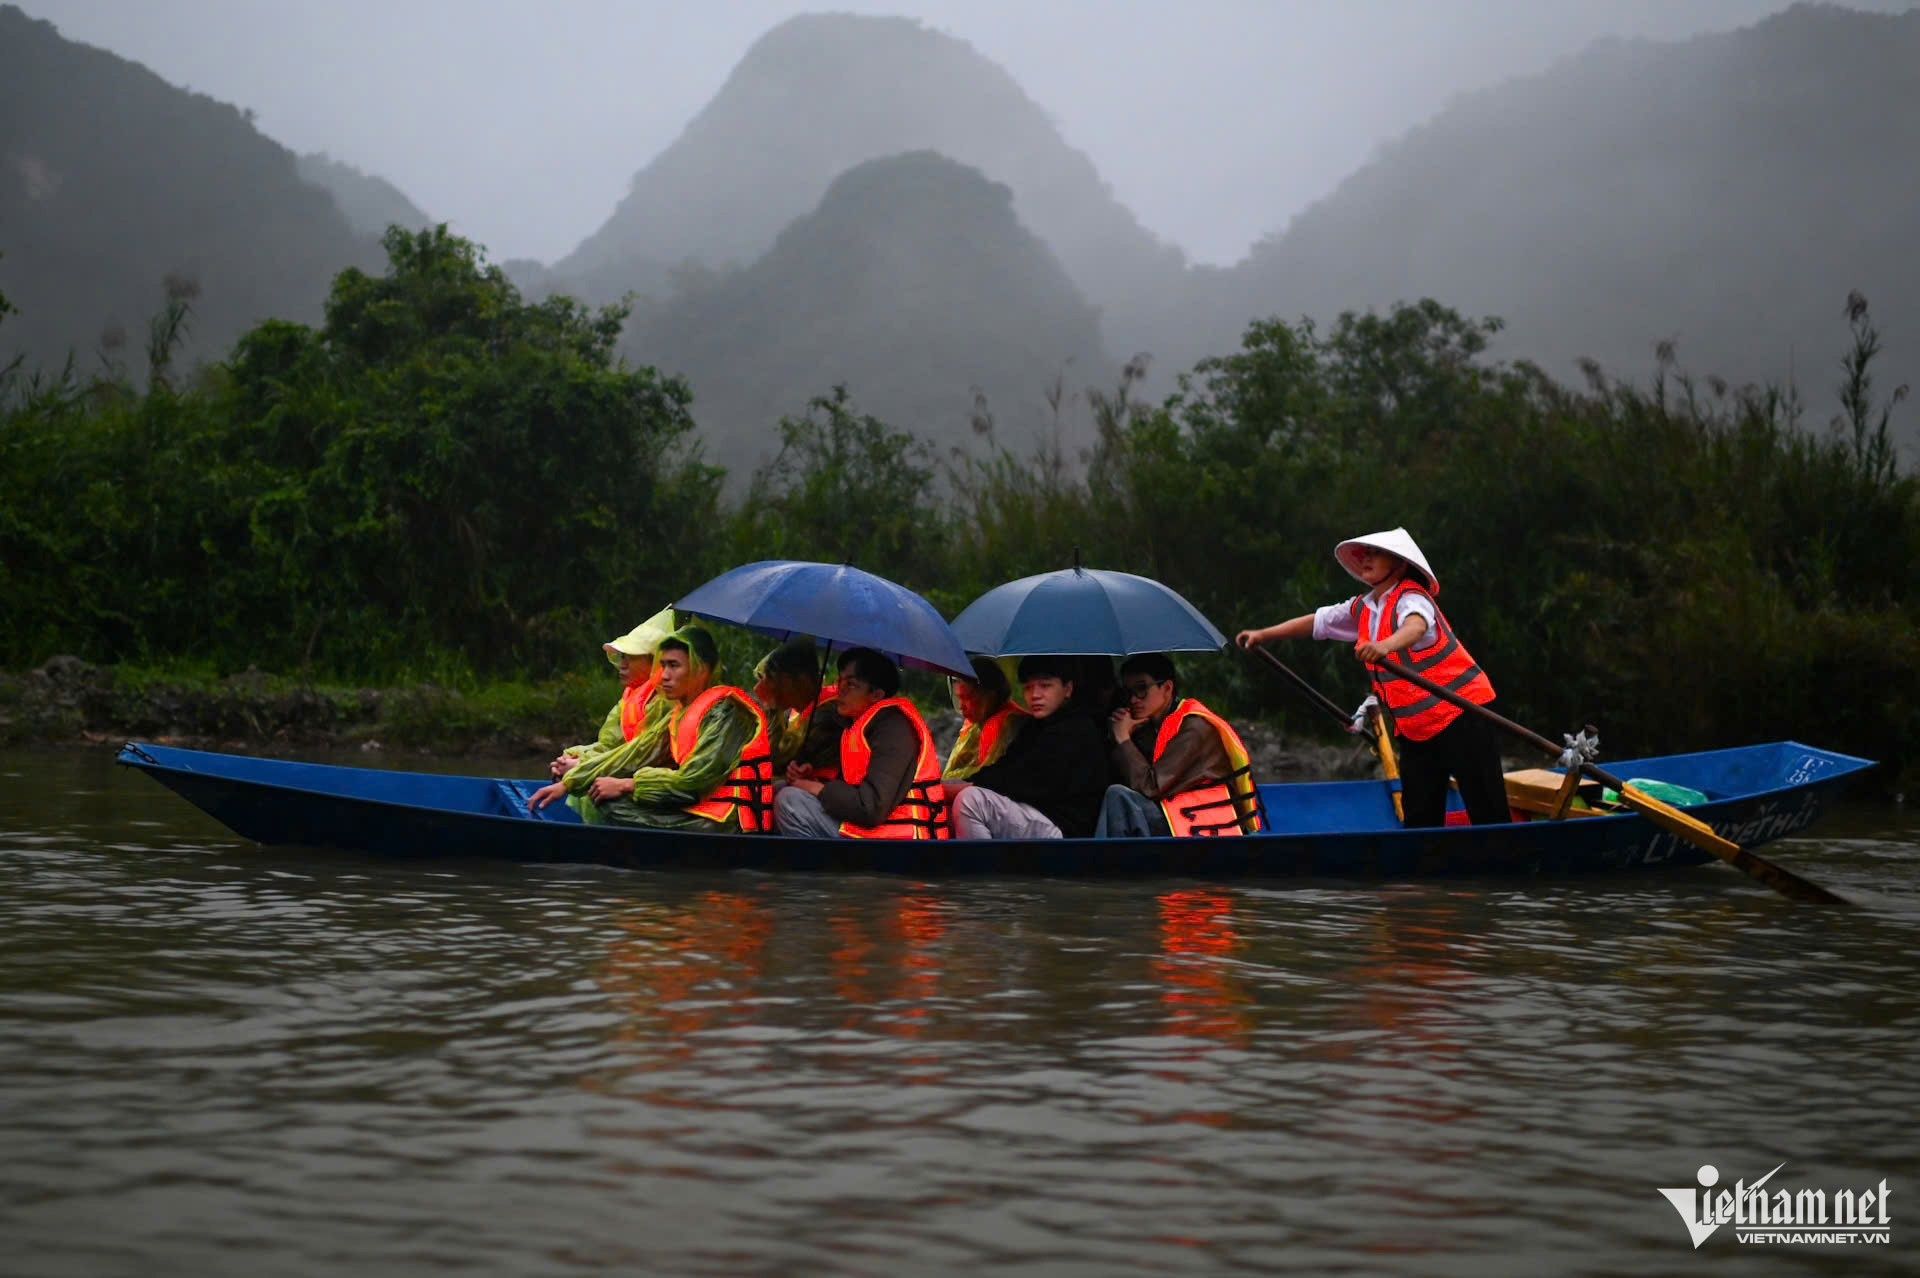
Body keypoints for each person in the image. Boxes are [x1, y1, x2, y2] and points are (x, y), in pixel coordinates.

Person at [1235, 527, 1509, 829]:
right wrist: (1264, 635)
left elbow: (1415, 626)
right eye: (1365, 553)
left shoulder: (1412, 597)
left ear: (1399, 564)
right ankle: (1424, 872)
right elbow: (1319, 621)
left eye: (1376, 554)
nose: (1366, 559)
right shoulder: (1364, 607)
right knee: (1419, 818)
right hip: (1416, 730)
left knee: (1487, 811)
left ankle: (1506, 866)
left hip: (1463, 713)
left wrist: (1384, 646)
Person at [585, 624, 775, 832]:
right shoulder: (680, 712)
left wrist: (627, 785)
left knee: (614, 804)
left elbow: (693, 783)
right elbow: (638, 755)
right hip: (699, 807)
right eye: (663, 665)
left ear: (700, 669)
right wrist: (575, 776)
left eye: (673, 666)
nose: (663, 675)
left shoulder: (728, 711)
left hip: (730, 820)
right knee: (605, 798)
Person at [773, 647, 949, 839]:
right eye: (840, 680)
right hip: (872, 830)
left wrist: (816, 788)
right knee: (781, 788)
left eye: (851, 684)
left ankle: (816, 869)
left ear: (876, 695)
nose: (840, 689)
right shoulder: (857, 726)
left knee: (789, 800)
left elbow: (871, 807)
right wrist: (814, 780)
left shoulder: (893, 729)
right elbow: (853, 788)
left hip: (902, 841)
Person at [1097, 652, 1264, 838]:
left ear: (1167, 688)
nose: (1133, 699)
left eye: (1142, 688)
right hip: (1177, 816)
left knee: (1118, 796)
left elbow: (1150, 787)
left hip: (1203, 825)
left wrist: (1122, 737)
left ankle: (1102, 865)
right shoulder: (1151, 725)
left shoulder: (1193, 727)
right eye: (1128, 692)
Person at [526, 607, 674, 816]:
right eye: (620, 657)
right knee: (583, 775)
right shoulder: (630, 698)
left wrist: (579, 769)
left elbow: (640, 756)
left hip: (656, 783)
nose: (621, 665)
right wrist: (573, 757)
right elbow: (609, 745)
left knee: (603, 798)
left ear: (654, 662)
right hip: (631, 772)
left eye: (630, 658)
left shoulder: (669, 701)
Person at [947, 654, 1109, 839]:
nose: (1035, 695)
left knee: (971, 801)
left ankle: (984, 868)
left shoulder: (1077, 730)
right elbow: (1005, 767)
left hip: (1064, 829)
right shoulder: (1035, 727)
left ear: (1067, 689)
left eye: (1045, 686)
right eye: (1028, 688)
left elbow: (1022, 780)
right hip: (1033, 814)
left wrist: (965, 786)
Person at [752, 636, 849, 777]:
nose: (760, 688)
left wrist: (772, 709)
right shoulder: (792, 712)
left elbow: (775, 763)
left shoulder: (831, 715)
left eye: (772, 678)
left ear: (802, 681)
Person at [943, 655, 1028, 780]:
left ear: (990, 696)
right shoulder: (979, 722)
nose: (961, 707)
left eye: (967, 698)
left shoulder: (1002, 724)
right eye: (959, 698)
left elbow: (984, 780)